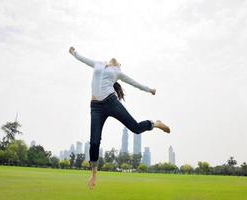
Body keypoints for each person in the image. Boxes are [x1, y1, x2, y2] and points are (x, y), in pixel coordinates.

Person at [69, 47, 171, 189]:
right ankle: (93, 173)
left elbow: (134, 82)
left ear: (117, 66)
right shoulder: (98, 63)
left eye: (118, 63)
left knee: (135, 127)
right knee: (94, 141)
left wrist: (149, 89)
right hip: (96, 107)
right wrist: (74, 53)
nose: (115, 60)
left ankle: (155, 124)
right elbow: (83, 59)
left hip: (111, 102)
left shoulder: (117, 72)